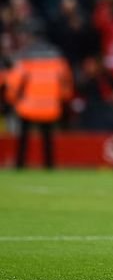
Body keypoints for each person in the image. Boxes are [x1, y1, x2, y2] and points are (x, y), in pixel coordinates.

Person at [3, 22, 73, 169]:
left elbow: (14, 82)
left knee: (23, 139)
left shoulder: (25, 56)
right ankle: (49, 166)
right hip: (50, 106)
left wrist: (11, 99)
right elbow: (65, 81)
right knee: (48, 139)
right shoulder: (56, 55)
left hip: (28, 105)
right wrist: (63, 99)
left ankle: (20, 165)